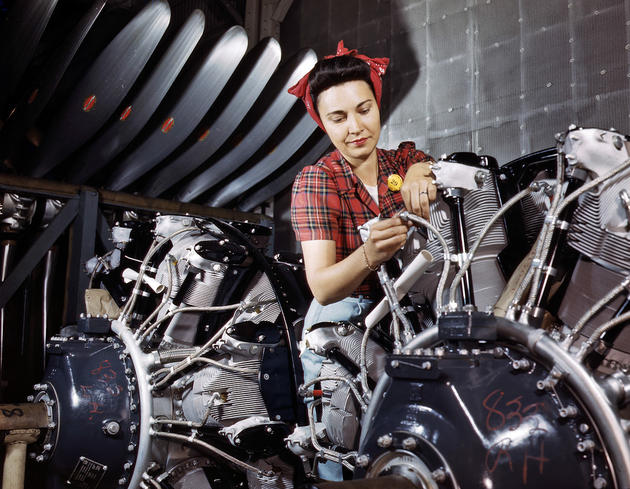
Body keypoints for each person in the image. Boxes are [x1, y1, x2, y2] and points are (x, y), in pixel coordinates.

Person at [288, 41, 436, 479]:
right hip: (342, 327)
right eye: (338, 118)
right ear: (322, 123)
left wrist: (420, 172)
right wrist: (370, 255)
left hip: (406, 318)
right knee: (347, 453)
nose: (356, 127)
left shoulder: (404, 159)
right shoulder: (318, 180)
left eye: (364, 110)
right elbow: (323, 286)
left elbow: (431, 170)